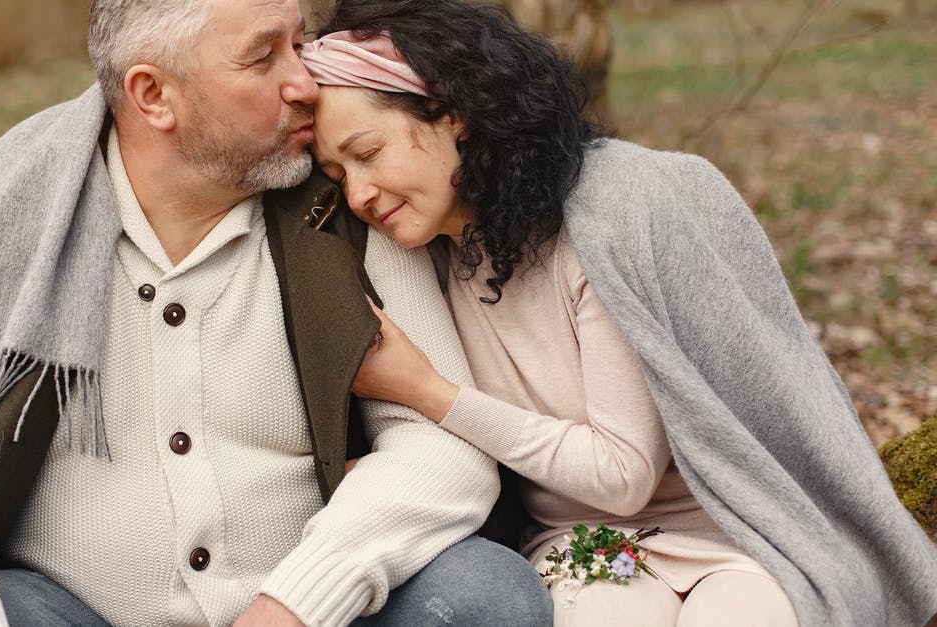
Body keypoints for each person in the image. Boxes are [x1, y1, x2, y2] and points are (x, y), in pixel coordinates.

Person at [0, 0, 555, 625]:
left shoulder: (346, 201)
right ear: (154, 95)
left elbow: (444, 449)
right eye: (262, 58)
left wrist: (297, 603)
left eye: (297, 43)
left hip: (318, 615)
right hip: (72, 609)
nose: (305, 82)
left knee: (485, 595)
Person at [300, 0, 937, 625]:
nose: (358, 193)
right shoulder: (415, 258)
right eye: (337, 172)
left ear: (455, 115)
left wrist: (428, 391)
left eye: (369, 153)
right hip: (584, 544)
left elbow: (621, 474)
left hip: (732, 535)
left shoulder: (602, 225)